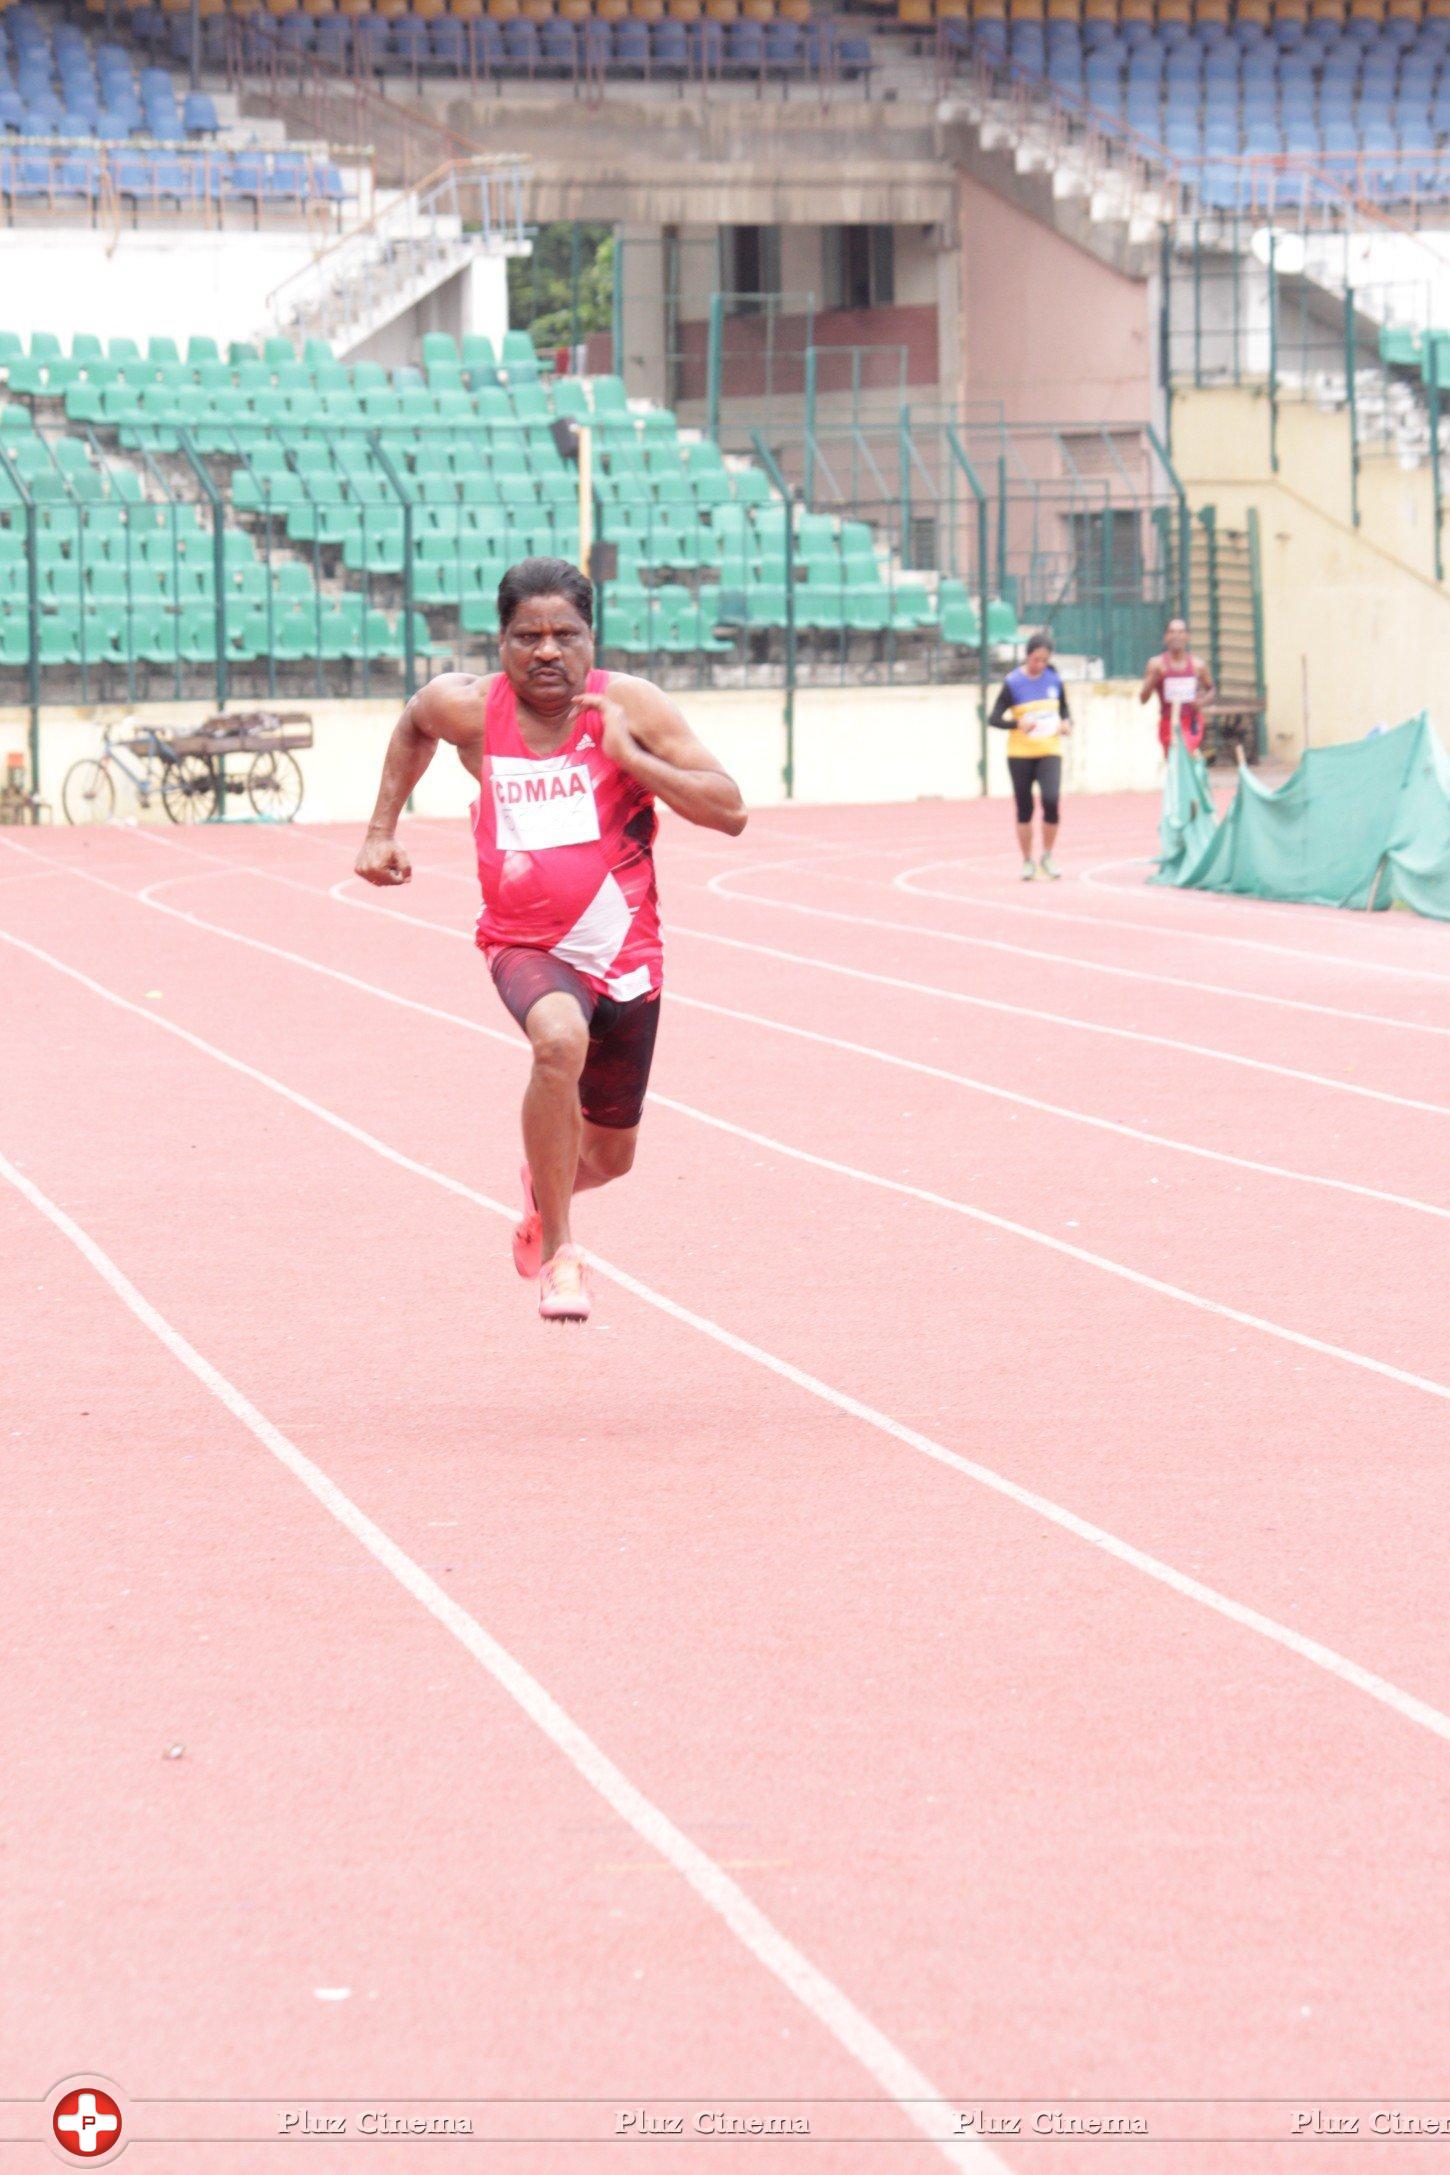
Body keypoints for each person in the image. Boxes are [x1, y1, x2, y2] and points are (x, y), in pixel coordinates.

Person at [353, 557, 748, 1323]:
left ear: (591, 639)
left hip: (626, 956)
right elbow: (413, 724)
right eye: (526, 635)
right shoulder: (468, 708)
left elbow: (730, 809)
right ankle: (563, 1254)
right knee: (557, 1042)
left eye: (565, 634)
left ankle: (545, 1182)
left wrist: (634, 759)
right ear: (499, 644)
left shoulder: (632, 706)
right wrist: (379, 832)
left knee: (609, 1157)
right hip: (525, 943)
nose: (546, 651)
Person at [988, 628, 1074, 881]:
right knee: (1024, 808)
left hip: (1049, 750)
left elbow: (1066, 711)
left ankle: (1047, 855)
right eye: (1036, 659)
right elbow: (993, 719)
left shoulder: (1054, 681)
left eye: (1045, 660)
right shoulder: (1013, 683)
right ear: (1027, 656)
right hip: (1020, 754)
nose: (1040, 665)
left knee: (1051, 800)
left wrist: (1068, 724)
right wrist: (1017, 725)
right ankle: (1027, 861)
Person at [1140, 619, 1214, 755]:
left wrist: (1201, 703)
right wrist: (1152, 681)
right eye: (1172, 632)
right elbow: (1143, 699)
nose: (1176, 636)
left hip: (1191, 721)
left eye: (1181, 632)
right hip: (1167, 721)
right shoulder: (1156, 664)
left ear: (1187, 637)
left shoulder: (1198, 665)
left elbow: (1212, 690)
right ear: (1165, 637)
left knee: (1184, 752)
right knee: (1172, 760)